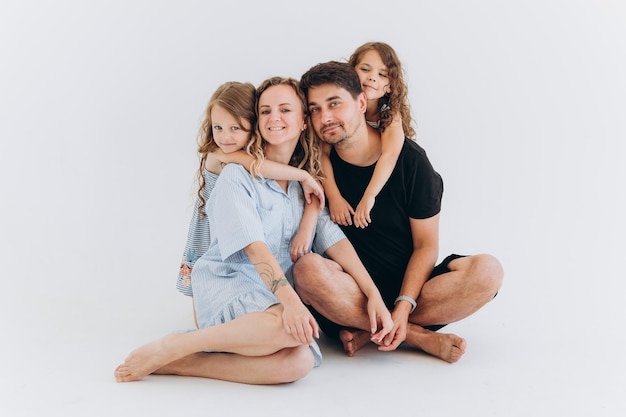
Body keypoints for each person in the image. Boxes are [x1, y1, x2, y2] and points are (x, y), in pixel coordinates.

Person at [114, 77, 392, 385]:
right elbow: (254, 249)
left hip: (270, 299)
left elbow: (336, 242)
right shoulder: (236, 176)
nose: (274, 118)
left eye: (285, 110)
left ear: (303, 121)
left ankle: (186, 361)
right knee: (290, 329)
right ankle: (176, 343)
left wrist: (373, 293)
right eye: (265, 111)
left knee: (300, 360)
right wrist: (293, 303)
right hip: (230, 285)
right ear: (256, 122)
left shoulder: (306, 188)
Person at [293, 61, 504, 363]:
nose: (325, 117)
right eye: (314, 109)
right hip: (349, 292)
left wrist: (404, 305)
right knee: (307, 271)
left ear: (361, 102)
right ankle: (414, 335)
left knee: (489, 272)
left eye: (334, 104)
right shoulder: (314, 164)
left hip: (414, 291)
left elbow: (426, 245)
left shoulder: (411, 162)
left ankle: (378, 328)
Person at [177, 81, 325, 305]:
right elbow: (260, 168)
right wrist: (303, 176)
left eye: (235, 128)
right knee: (206, 274)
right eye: (218, 127)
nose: (225, 137)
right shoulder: (219, 155)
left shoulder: (251, 157)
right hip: (210, 232)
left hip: (232, 232)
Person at [321, 42, 414, 229]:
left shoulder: (389, 113)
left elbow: (390, 156)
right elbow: (321, 153)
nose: (372, 77)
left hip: (383, 181)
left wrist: (369, 196)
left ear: (389, 86)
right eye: (365, 69)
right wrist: (334, 197)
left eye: (382, 74)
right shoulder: (341, 110)